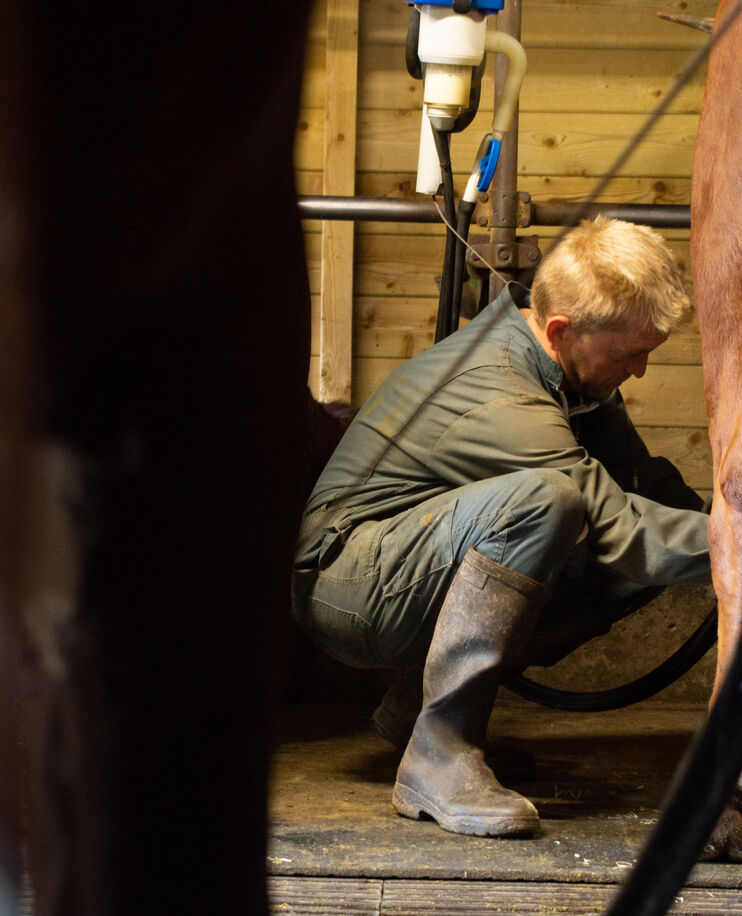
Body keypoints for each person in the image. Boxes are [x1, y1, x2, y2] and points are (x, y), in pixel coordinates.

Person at [291, 218, 713, 839]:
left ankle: (415, 709)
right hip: (344, 581)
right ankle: (439, 753)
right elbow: (621, 531)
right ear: (562, 330)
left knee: (647, 508)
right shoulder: (501, 390)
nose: (642, 370)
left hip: (402, 562)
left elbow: (642, 496)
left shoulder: (573, 376)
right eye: (630, 354)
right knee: (549, 504)